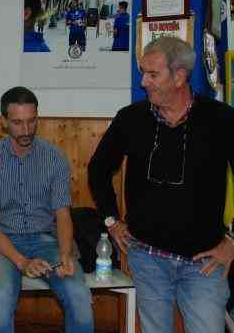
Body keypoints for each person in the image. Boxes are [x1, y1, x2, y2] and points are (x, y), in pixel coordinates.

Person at [88, 36, 234, 333]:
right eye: (143, 72)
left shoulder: (221, 119)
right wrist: (111, 220)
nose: (144, 82)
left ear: (179, 76)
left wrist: (232, 242)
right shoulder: (131, 119)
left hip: (204, 263)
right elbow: (98, 170)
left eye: (153, 74)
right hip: (147, 258)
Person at [0, 86, 93, 333]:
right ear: (3, 122)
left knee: (79, 295)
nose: (26, 130)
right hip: (2, 244)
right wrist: (22, 262)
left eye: (31, 121)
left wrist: (64, 253)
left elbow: (62, 215)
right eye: (18, 123)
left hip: (47, 241)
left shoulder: (54, 158)